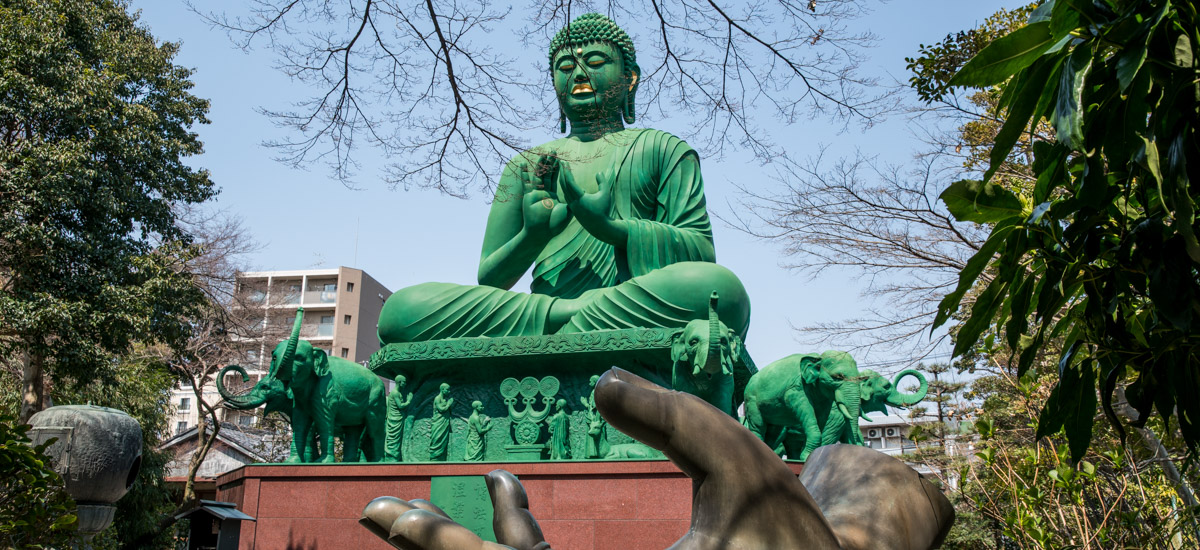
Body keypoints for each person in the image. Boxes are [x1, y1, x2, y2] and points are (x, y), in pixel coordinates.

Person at [377, 12, 749, 346]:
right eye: (566, 66)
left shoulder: (664, 149)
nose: (579, 74)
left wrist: (612, 229)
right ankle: (572, 316)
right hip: (553, 310)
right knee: (400, 311)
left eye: (596, 61)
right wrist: (532, 236)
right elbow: (490, 280)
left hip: (628, 297)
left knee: (719, 290)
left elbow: (699, 251)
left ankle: (563, 324)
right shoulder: (526, 164)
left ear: (629, 78)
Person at [385, 374, 413, 462]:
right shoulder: (395, 393)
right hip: (395, 419)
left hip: (398, 418)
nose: (405, 384)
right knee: (394, 439)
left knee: (397, 439)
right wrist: (409, 400)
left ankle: (396, 457)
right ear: (400, 382)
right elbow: (400, 406)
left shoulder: (398, 393)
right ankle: (392, 458)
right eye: (404, 382)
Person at [428, 383, 453, 461]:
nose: (449, 391)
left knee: (444, 441)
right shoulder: (437, 398)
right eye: (447, 390)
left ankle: (442, 459)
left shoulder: (445, 399)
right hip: (438, 423)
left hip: (444, 423)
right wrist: (449, 404)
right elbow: (441, 409)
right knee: (437, 440)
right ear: (442, 390)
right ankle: (434, 459)